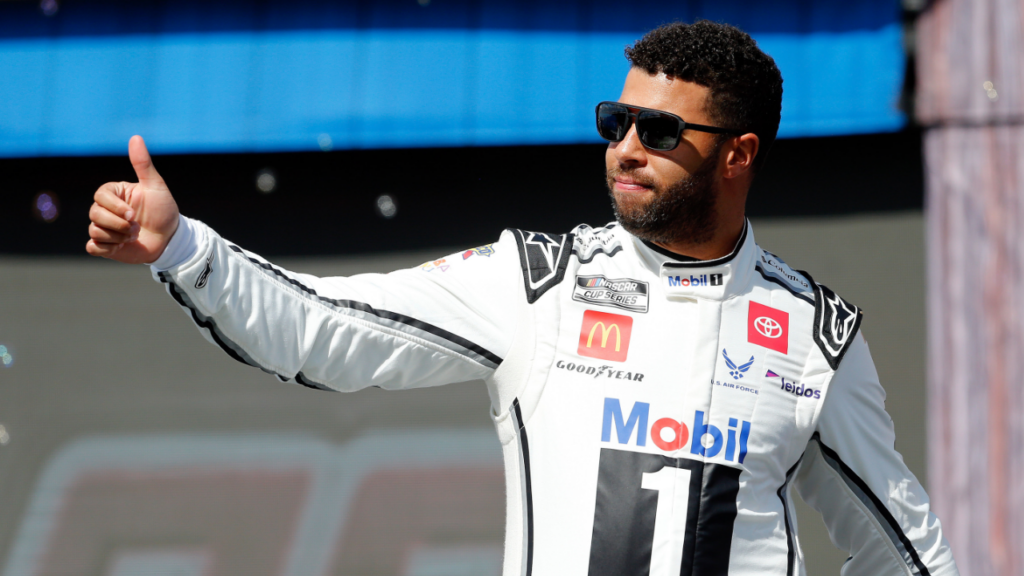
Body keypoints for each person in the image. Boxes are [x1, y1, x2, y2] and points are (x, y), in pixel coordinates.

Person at [85, 20, 958, 576]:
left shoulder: (814, 335)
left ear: (739, 155)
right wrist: (185, 247)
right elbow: (322, 332)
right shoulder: (539, 282)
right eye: (615, 123)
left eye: (659, 132)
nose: (626, 148)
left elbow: (908, 551)